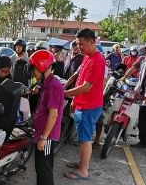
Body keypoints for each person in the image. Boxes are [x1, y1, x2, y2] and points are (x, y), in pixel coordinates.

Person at [63, 28, 105, 180]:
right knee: (82, 137)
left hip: (90, 106)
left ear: (92, 42)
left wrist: (65, 94)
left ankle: (83, 171)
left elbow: (87, 87)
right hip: (81, 104)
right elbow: (78, 76)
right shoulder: (86, 57)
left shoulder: (98, 60)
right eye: (78, 44)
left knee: (86, 139)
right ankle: (81, 163)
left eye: (81, 44)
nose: (79, 47)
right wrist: (73, 98)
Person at [29, 50, 63, 185]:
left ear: (42, 67)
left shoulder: (53, 86)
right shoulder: (46, 83)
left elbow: (53, 114)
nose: (33, 73)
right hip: (42, 133)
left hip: (46, 136)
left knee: (44, 169)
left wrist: (43, 138)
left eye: (34, 70)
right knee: (40, 168)